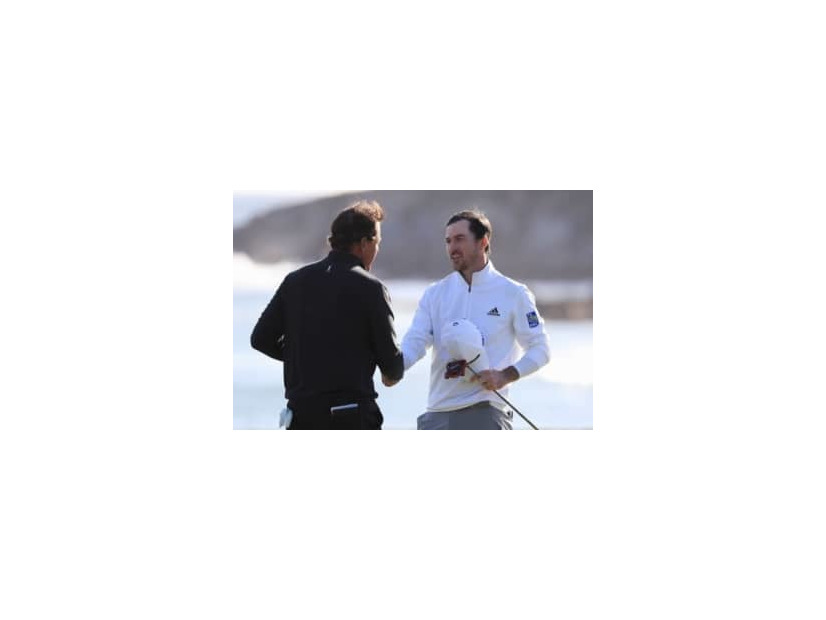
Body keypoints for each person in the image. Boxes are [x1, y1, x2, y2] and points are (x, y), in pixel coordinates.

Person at [251, 200, 404, 429]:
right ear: (364, 244)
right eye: (377, 243)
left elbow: (260, 339)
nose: (377, 250)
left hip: (300, 418)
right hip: (351, 417)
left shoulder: (295, 281)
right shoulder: (371, 288)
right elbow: (391, 367)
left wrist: (306, 357)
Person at [401, 210, 551, 429]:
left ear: (483, 242)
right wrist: (394, 367)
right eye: (448, 241)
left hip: (486, 412)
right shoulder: (435, 293)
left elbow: (541, 349)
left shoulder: (514, 293)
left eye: (459, 239)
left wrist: (505, 376)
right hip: (436, 414)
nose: (452, 248)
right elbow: (415, 341)